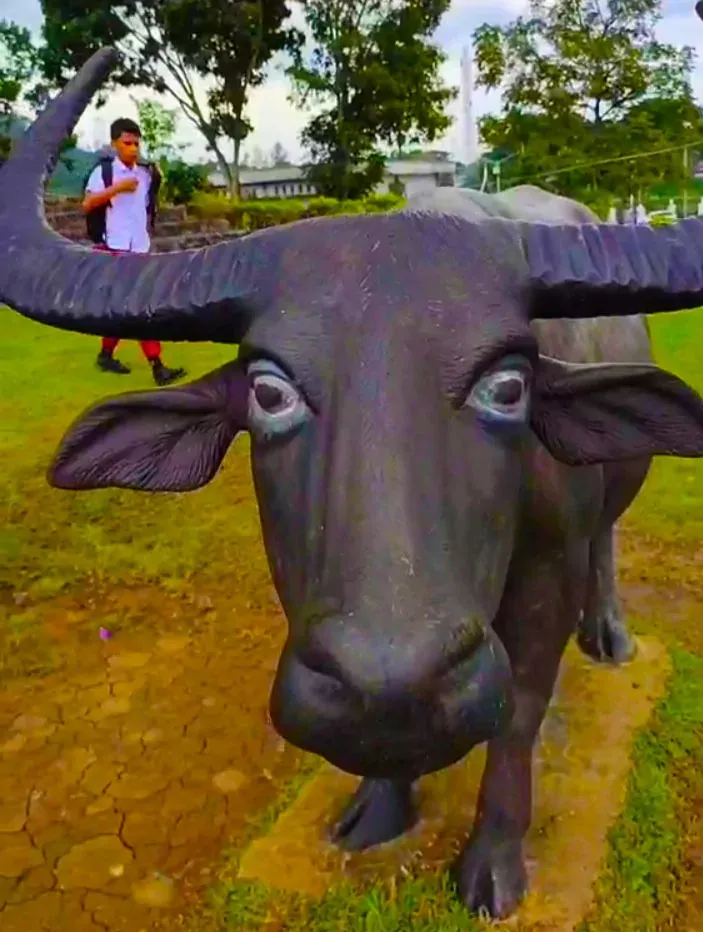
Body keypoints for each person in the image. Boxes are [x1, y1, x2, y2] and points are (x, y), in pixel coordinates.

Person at [83, 118, 186, 386]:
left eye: (136, 144)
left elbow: (149, 203)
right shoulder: (104, 173)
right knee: (139, 305)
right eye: (127, 143)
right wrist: (118, 188)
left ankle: (106, 355)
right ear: (115, 143)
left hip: (140, 246)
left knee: (124, 307)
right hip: (115, 248)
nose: (132, 149)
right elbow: (88, 203)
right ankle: (157, 366)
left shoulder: (145, 173)